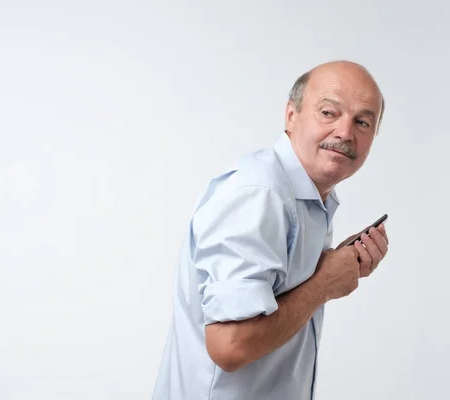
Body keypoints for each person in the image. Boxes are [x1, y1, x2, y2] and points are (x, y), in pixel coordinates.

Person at [151, 60, 390, 400]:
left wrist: (334, 265)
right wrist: (325, 284)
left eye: (363, 122)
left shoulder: (308, 198)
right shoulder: (261, 195)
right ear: (291, 116)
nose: (345, 132)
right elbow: (230, 346)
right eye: (328, 112)